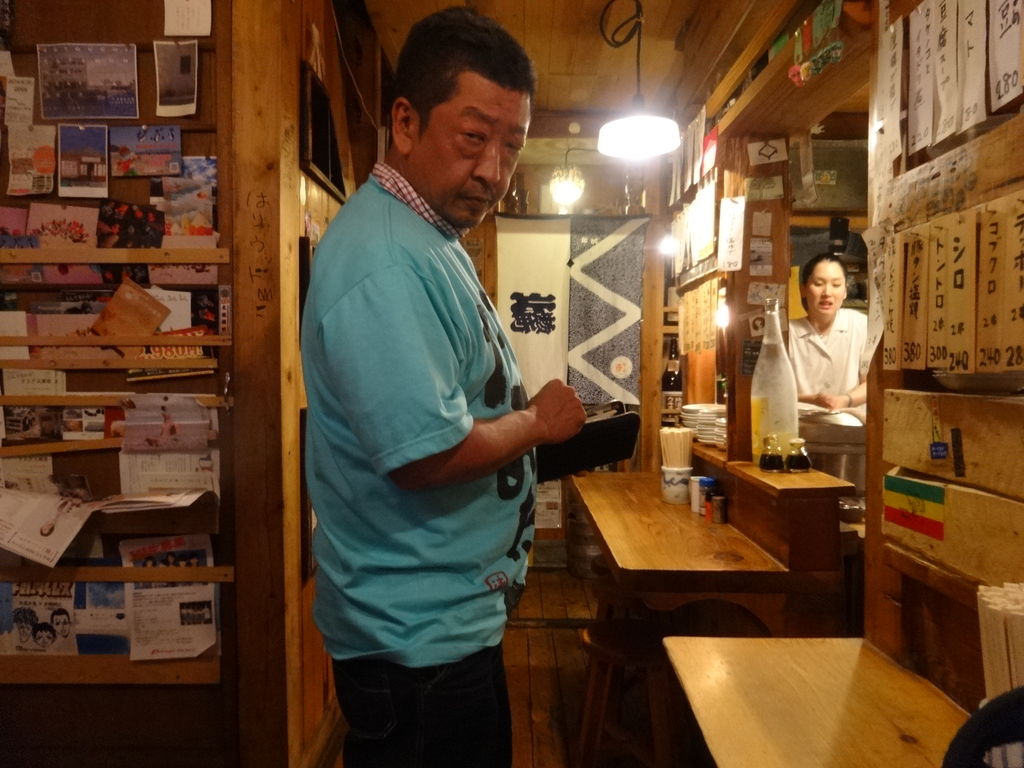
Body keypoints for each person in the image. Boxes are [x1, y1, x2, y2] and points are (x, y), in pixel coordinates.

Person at [299, 8, 586, 768]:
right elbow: (424, 457)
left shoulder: (428, 233)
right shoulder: (385, 262)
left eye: (512, 145)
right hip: (414, 643)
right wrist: (537, 424)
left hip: (440, 625)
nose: (494, 169)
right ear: (405, 122)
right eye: (473, 137)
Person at [788, 253, 868, 414]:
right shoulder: (788, 332)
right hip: (800, 424)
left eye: (836, 285)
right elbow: (774, 390)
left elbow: (870, 383)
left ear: (845, 291)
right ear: (803, 289)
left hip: (850, 422)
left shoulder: (860, 324)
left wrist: (844, 400)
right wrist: (812, 399)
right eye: (818, 284)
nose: (827, 292)